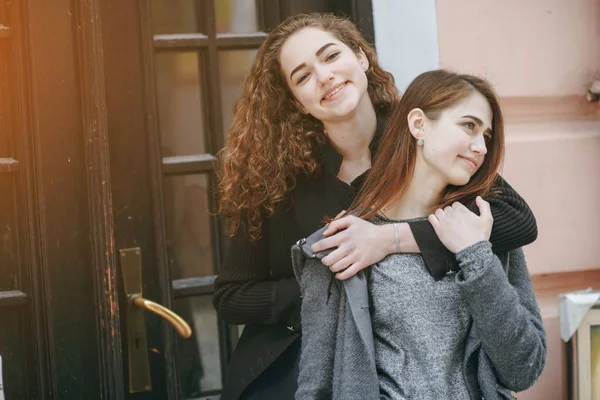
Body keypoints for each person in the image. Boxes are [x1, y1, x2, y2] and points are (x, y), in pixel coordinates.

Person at [213, 13, 538, 400]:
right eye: (302, 76)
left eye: (331, 56)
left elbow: (517, 221)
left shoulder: (421, 140)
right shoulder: (274, 177)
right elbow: (232, 296)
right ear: (297, 102)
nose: (324, 76)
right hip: (296, 357)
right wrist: (332, 283)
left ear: (362, 58)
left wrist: (390, 240)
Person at [292, 69, 546, 400]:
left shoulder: (481, 231)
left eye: (486, 135)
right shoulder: (345, 243)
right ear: (418, 124)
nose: (481, 146)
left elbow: (524, 369)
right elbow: (315, 386)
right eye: (469, 126)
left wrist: (476, 256)